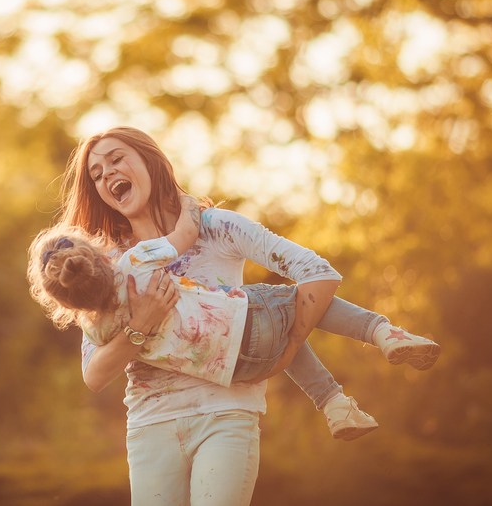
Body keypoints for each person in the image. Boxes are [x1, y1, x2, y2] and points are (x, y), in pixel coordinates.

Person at [44, 126, 440, 506]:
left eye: (116, 159)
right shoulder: (104, 266)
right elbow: (94, 374)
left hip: (227, 414)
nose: (107, 173)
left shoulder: (216, 228)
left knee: (264, 305)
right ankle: (360, 363)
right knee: (265, 306)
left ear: (149, 160)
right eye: (97, 174)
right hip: (151, 425)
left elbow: (315, 274)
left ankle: (374, 344)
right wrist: (139, 326)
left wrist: (288, 351)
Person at [28, 196, 439, 432]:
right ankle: (383, 332)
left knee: (284, 329)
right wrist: (188, 204)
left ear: (66, 304)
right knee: (297, 305)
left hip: (233, 371)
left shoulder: (96, 332)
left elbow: (96, 374)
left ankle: (335, 406)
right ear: (99, 255)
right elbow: (186, 234)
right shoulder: (135, 261)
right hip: (243, 320)